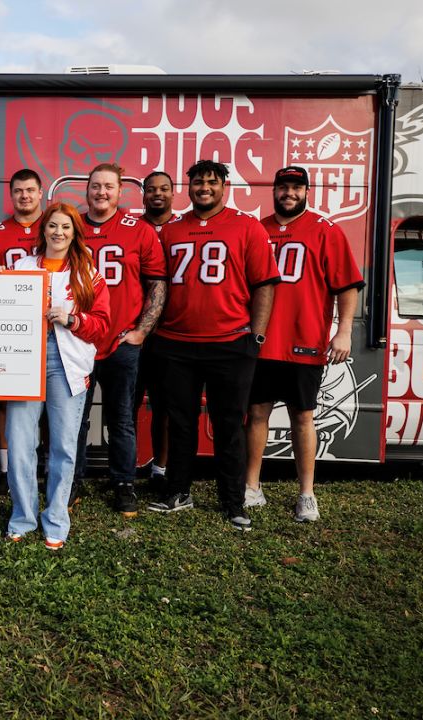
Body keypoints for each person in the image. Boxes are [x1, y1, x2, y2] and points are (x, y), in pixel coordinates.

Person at [145, 160, 280, 531]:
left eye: (211, 182)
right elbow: (157, 284)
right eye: (197, 182)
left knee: (228, 426)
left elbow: (264, 284)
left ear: (224, 186)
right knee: (181, 423)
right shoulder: (172, 229)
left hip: (230, 341)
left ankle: (233, 501)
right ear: (187, 188)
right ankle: (178, 491)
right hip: (175, 342)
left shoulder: (247, 226)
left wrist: (258, 335)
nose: (204, 188)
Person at [244, 166, 364, 522]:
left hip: (304, 339)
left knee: (303, 416)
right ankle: (252, 486)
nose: (289, 193)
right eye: (283, 187)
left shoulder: (325, 230)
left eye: (296, 187)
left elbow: (346, 285)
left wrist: (344, 332)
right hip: (262, 340)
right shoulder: (257, 229)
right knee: (256, 414)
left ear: (307, 191)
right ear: (274, 190)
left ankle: (306, 494)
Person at [3, 202, 109, 549]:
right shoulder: (21, 266)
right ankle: (22, 517)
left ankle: (56, 521)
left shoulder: (87, 273)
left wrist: (72, 319)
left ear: (75, 232)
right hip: (25, 362)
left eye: (65, 227)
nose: (58, 232)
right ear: (43, 229)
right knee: (20, 443)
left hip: (67, 364)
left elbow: (103, 326)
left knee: (63, 447)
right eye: (52, 226)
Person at [73, 164, 167, 517]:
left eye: (108, 187)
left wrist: (142, 330)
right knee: (73, 418)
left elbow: (157, 283)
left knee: (122, 417)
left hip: (120, 341)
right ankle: (71, 481)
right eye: (95, 186)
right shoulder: (72, 226)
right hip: (78, 340)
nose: (101, 192)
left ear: (119, 192)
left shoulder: (139, 231)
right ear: (87, 189)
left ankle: (124, 483)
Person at [0, 168, 46, 494]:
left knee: (50, 401)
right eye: (18, 191)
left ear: (40, 192)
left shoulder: (54, 227)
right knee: (8, 399)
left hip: (50, 325)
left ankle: (42, 464)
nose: (24, 196)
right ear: (11, 194)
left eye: (30, 190)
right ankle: (6, 470)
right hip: (12, 326)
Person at [133, 171, 179, 487]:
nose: (157, 194)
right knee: (127, 404)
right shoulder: (133, 227)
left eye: (163, 189)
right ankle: (124, 468)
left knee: (164, 405)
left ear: (173, 193)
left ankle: (160, 469)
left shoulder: (183, 227)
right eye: (151, 189)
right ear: (143, 195)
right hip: (134, 329)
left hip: (170, 332)